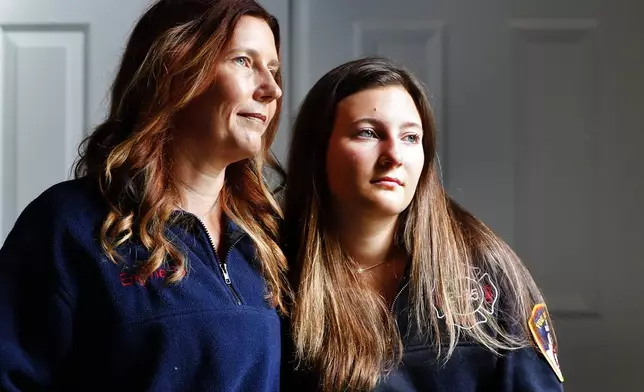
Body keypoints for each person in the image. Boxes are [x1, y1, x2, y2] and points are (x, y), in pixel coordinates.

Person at [0, 0, 289, 390]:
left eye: (272, 70)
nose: (272, 89)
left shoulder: (266, 242)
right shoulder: (68, 224)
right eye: (243, 61)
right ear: (175, 69)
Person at [281, 57, 564, 391]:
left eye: (411, 137)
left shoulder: (486, 271)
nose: (394, 155)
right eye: (368, 133)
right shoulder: (277, 273)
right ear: (318, 151)